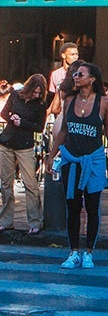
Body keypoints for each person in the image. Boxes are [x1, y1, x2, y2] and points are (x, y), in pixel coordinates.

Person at [46, 63, 108, 269]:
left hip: (93, 159)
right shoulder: (69, 100)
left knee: (93, 205)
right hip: (72, 158)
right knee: (73, 206)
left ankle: (89, 252)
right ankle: (74, 251)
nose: (76, 77)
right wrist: (52, 155)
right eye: (75, 75)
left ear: (92, 79)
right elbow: (63, 132)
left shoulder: (104, 102)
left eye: (81, 74)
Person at [0, 74, 46, 234]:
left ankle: (35, 221)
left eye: (39, 93)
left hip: (25, 145)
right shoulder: (15, 95)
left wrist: (23, 123)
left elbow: (40, 126)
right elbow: (4, 113)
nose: (36, 95)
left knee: (31, 184)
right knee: (6, 183)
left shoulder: (40, 104)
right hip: (7, 141)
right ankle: (6, 220)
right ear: (29, 88)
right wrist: (12, 117)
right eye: (35, 92)